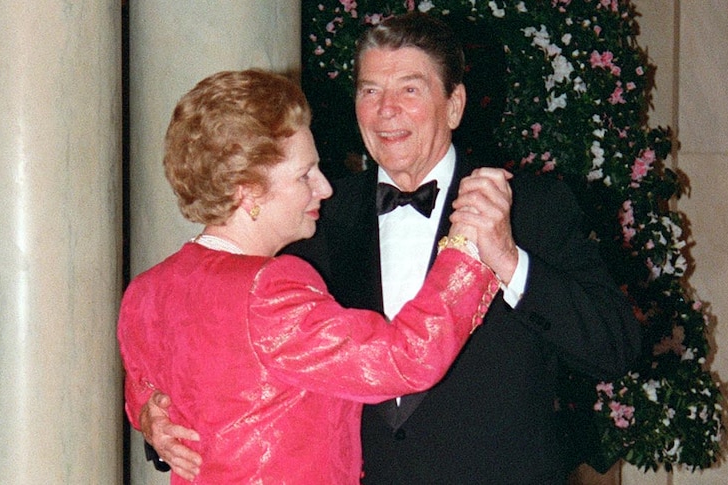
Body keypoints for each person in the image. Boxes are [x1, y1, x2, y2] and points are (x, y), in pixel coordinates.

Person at [143, 13, 641, 484]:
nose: (386, 110)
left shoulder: (531, 207)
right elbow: (216, 342)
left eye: (410, 89)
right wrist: (155, 416)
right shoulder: (308, 218)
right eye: (370, 90)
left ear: (454, 105)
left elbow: (615, 349)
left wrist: (510, 262)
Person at [117, 68, 506, 484]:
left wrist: (146, 414)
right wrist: (467, 246)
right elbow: (403, 359)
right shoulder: (267, 290)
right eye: (305, 174)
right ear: (246, 189)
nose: (324, 187)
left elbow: (144, 388)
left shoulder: (147, 290)